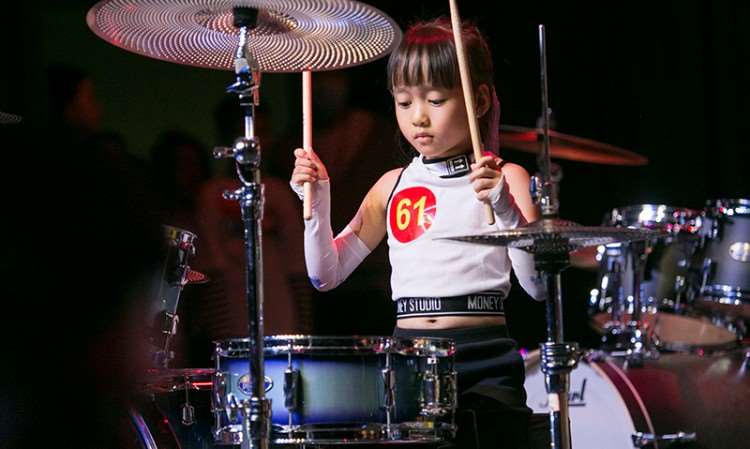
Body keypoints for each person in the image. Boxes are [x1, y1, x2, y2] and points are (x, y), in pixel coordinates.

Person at [290, 18, 548, 449]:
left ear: (479, 99)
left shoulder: (509, 177)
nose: (419, 117)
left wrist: (504, 205)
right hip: (409, 357)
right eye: (404, 102)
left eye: (436, 100)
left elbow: (537, 287)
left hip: (484, 355)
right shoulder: (392, 186)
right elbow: (324, 275)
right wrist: (317, 202)